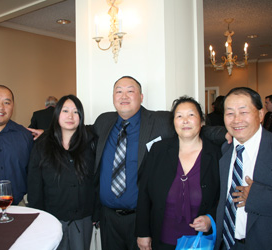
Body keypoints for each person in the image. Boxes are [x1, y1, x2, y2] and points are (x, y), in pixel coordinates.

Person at [93, 76, 226, 250]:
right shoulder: (103, 121)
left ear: (141, 97)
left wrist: (227, 133)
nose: (124, 96)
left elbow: (190, 129)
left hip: (141, 218)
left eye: (130, 91)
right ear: (113, 96)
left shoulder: (160, 120)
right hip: (109, 218)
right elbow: (77, 132)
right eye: (119, 91)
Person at [135, 96, 221, 250]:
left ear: (202, 121)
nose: (185, 120)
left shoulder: (216, 154)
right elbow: (144, 193)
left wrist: (211, 219)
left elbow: (222, 197)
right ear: (173, 122)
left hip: (199, 242)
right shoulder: (158, 150)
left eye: (191, 115)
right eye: (179, 116)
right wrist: (143, 233)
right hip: (162, 238)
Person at [27, 94, 96, 250]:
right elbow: (34, 185)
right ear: (57, 113)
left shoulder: (91, 141)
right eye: (65, 111)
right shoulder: (42, 144)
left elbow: (96, 180)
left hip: (83, 219)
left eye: (75, 112)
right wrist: (38, 216)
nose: (70, 116)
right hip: (51, 218)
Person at [215, 87, 272, 250]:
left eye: (243, 112)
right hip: (227, 243)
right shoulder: (226, 150)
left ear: (260, 115)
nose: (236, 120)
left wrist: (257, 196)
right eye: (230, 113)